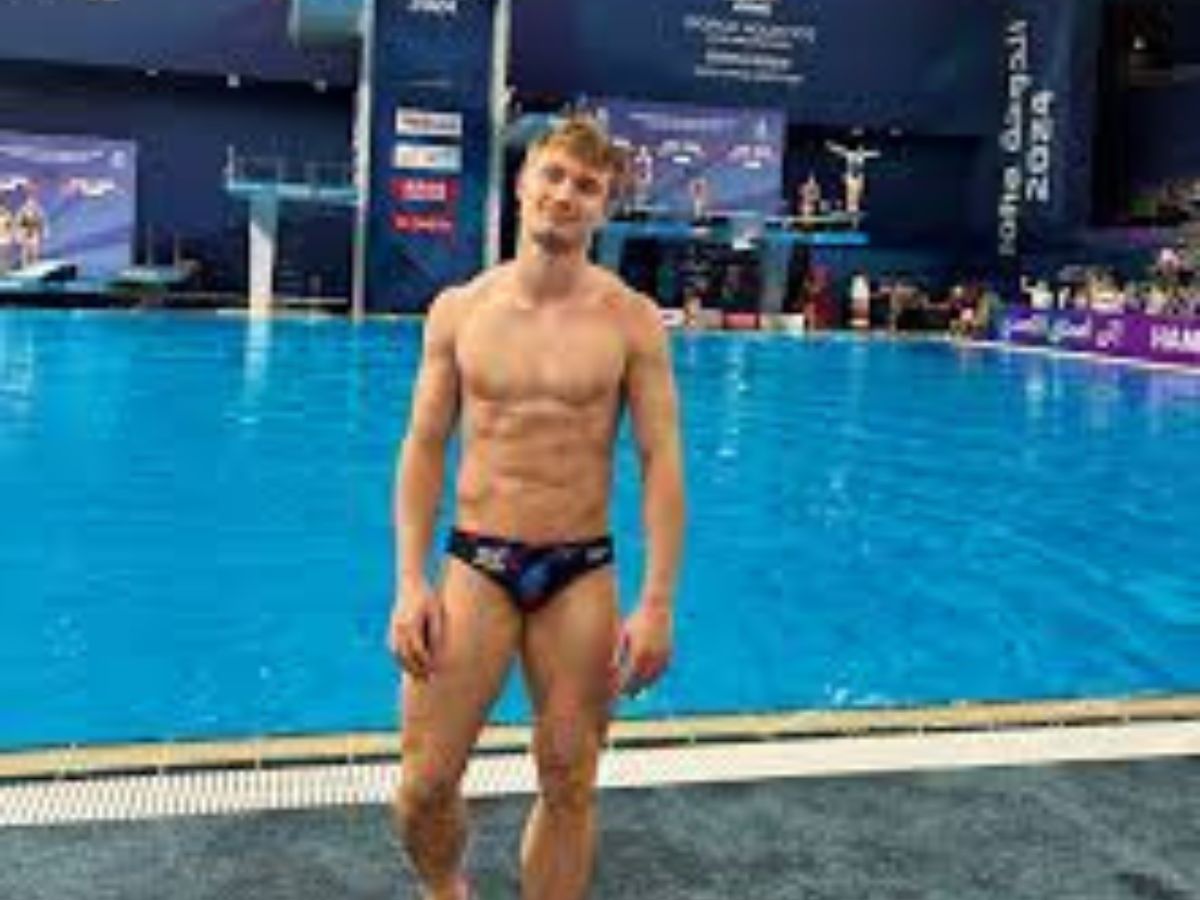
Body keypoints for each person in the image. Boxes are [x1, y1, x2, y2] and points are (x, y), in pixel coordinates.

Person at [387, 115, 686, 900]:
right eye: (553, 175)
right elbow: (424, 446)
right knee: (424, 784)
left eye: (586, 186)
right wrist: (410, 582)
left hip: (579, 570)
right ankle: (445, 889)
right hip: (477, 564)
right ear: (523, 183)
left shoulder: (631, 319)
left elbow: (661, 461)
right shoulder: (460, 310)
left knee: (570, 780)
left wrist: (656, 603)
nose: (565, 194)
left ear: (603, 208)